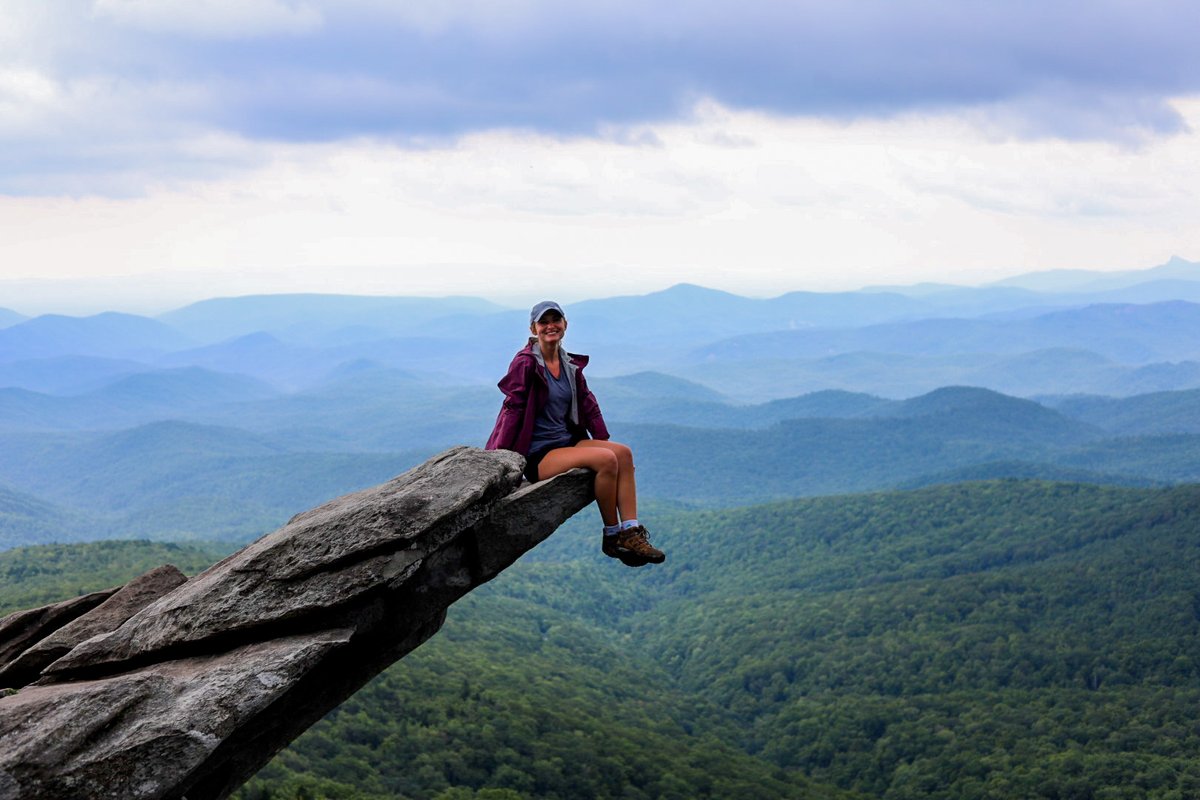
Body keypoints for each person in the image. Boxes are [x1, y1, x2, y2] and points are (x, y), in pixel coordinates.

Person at [485, 300, 665, 567]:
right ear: (533, 328)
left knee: (623, 453)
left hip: (567, 441)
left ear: (565, 325)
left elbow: (586, 401)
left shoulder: (568, 364)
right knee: (606, 461)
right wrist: (500, 458)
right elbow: (512, 408)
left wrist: (601, 438)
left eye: (555, 320)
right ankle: (612, 535)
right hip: (539, 452)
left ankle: (630, 531)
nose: (550, 326)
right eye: (543, 322)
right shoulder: (525, 364)